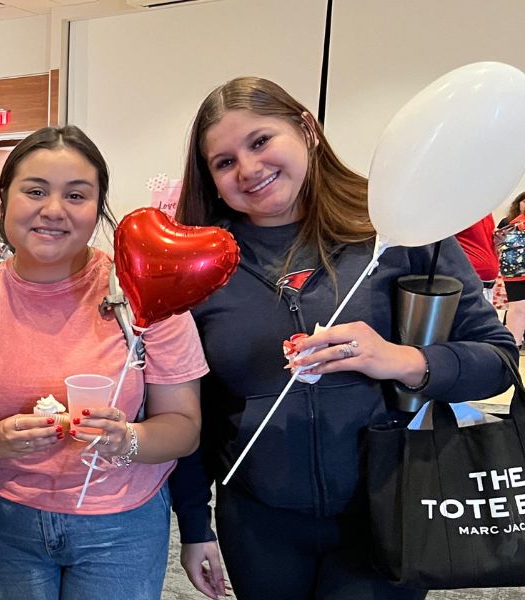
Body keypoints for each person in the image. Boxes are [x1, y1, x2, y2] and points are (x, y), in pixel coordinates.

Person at [169, 76, 516, 600]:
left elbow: (498, 359)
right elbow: (190, 408)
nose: (249, 168)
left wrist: (398, 359)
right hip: (259, 523)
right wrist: (196, 524)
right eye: (224, 161)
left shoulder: (398, 231)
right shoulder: (203, 267)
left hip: (389, 511)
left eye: (261, 141)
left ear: (306, 129)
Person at [0, 126, 205, 600]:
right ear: (4, 198)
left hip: (122, 526)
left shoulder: (142, 294)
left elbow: (184, 426)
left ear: (98, 207)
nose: (54, 210)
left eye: (76, 195)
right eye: (35, 191)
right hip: (6, 521)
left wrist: (127, 439)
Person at [497, 191, 525, 345]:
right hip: (515, 272)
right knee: (517, 309)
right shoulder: (509, 223)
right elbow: (498, 244)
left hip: (514, 270)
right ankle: (512, 344)